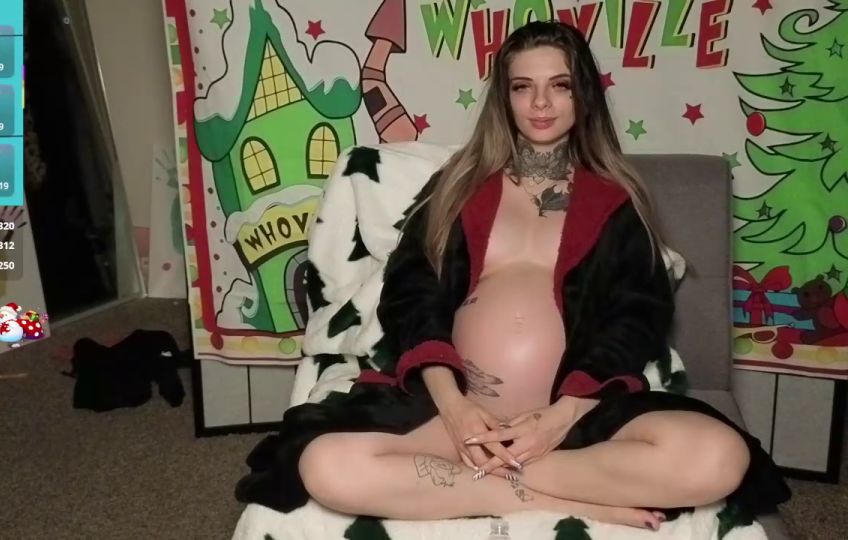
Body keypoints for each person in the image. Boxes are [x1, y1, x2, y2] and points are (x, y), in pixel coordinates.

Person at [235, 21, 790, 530]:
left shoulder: (615, 201)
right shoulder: (459, 186)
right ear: (504, 98)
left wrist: (559, 418)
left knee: (720, 458)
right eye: (523, 87)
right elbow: (411, 295)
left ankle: (513, 478)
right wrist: (455, 408)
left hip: (570, 421)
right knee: (325, 466)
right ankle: (566, 497)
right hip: (457, 418)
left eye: (559, 86)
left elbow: (635, 318)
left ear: (583, 95)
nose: (541, 102)